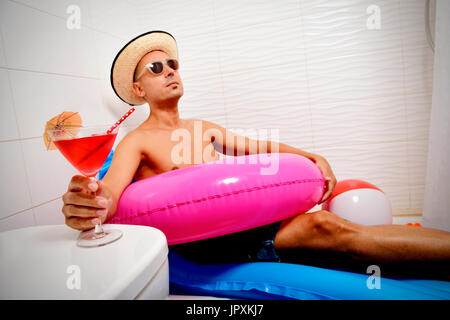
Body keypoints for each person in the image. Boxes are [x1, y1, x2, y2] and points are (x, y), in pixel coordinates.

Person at [62, 31, 450, 280]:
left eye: (173, 64)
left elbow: (261, 148)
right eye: (156, 68)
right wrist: (89, 203)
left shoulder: (203, 127)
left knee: (331, 226)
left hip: (247, 224)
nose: (169, 71)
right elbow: (110, 194)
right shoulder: (136, 141)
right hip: (210, 241)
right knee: (329, 228)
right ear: (139, 89)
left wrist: (312, 156)